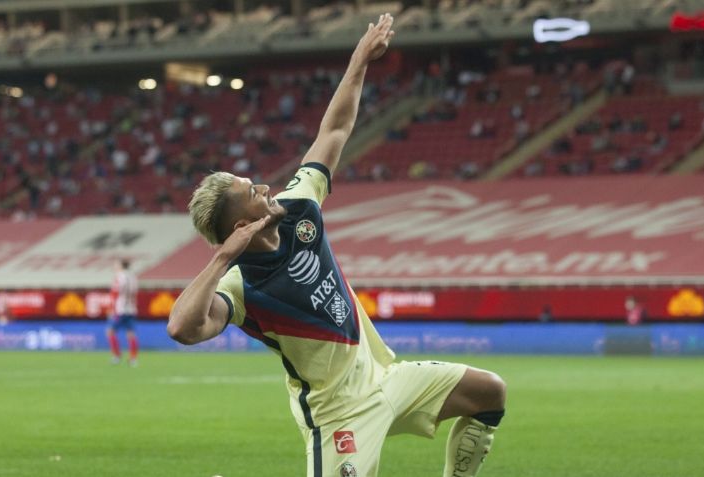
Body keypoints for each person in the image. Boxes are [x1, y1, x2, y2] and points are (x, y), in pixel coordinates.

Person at [167, 14, 506, 477]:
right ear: (244, 223)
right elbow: (183, 329)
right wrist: (224, 256)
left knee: (489, 392)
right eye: (252, 191)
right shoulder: (240, 283)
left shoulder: (300, 204)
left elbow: (333, 132)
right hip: (338, 416)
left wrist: (359, 61)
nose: (266, 186)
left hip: (389, 379)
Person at [107, 259, 139, 366]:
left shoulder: (119, 276)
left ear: (121, 266)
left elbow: (115, 293)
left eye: (116, 264)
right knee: (131, 334)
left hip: (120, 309)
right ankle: (133, 358)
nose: (115, 266)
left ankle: (116, 356)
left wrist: (112, 308)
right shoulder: (133, 277)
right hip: (131, 308)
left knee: (110, 332)